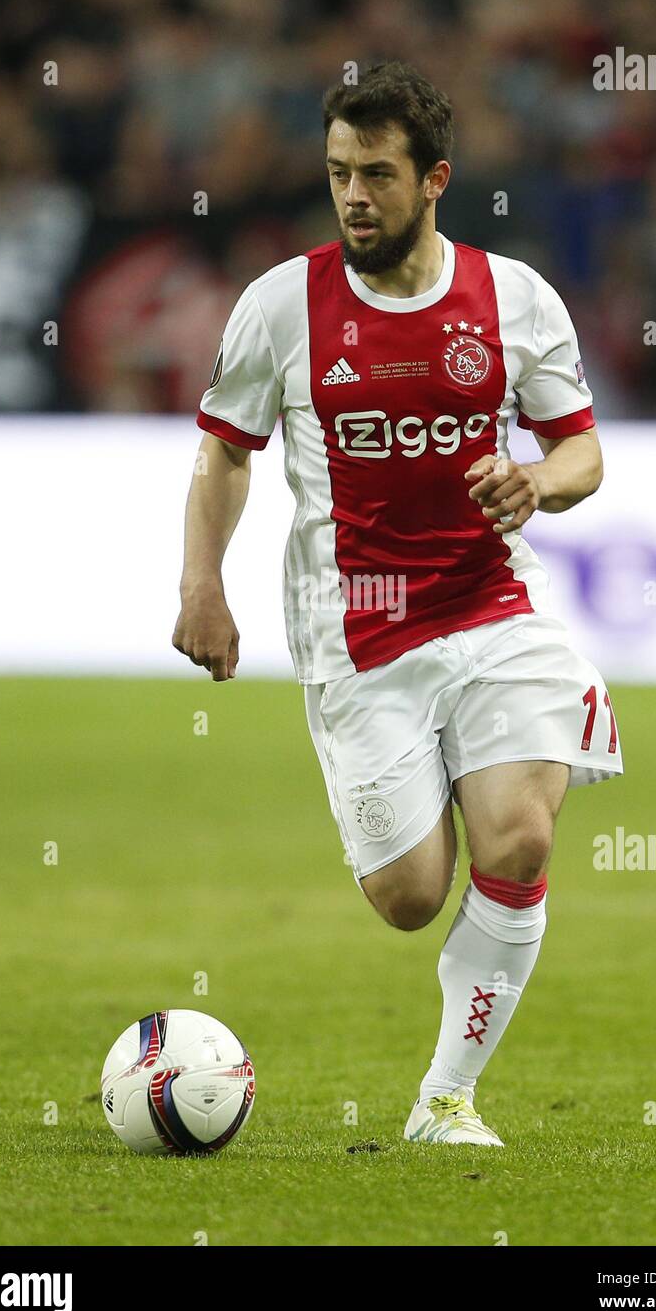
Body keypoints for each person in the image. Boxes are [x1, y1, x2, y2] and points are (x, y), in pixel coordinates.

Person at [173, 61, 623, 1147]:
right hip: (355, 623)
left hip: (489, 608)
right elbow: (224, 452)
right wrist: (202, 583)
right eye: (337, 173)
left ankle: (445, 1099)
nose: (353, 196)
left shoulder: (513, 300)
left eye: (376, 173)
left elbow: (581, 452)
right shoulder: (281, 306)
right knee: (410, 894)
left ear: (434, 181)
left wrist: (535, 482)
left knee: (515, 837)